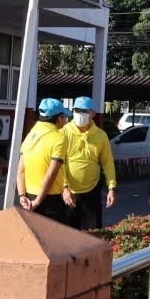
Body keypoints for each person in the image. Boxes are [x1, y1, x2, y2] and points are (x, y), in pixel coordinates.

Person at [62, 96, 117, 230]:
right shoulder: (64, 132)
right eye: (77, 110)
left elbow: (108, 163)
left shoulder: (101, 135)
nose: (79, 114)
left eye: (84, 111)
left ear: (93, 114)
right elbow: (58, 164)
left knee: (93, 233)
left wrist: (111, 188)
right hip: (69, 193)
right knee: (68, 233)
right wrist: (64, 188)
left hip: (92, 191)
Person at [20, 98, 74, 224]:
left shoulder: (30, 135)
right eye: (64, 117)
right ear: (59, 118)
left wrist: (22, 195)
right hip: (49, 200)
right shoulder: (59, 138)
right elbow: (51, 174)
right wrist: (38, 201)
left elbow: (21, 170)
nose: (66, 120)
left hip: (28, 196)